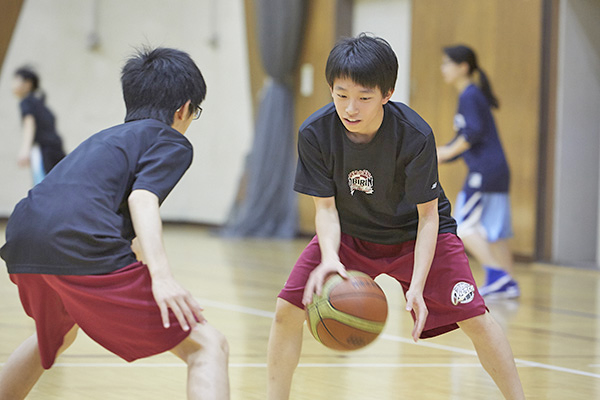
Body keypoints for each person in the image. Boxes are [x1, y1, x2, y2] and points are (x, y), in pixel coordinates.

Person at [266, 34, 525, 400]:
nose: (350, 108)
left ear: (387, 94)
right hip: (351, 235)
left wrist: (417, 284)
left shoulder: (414, 135)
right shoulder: (315, 133)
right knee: (286, 311)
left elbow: (428, 218)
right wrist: (328, 259)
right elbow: (325, 208)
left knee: (476, 318)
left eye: (364, 98)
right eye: (341, 95)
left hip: (415, 235)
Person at [0, 47, 230, 400]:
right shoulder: (170, 139)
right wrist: (163, 278)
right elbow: (142, 199)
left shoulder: (105, 140)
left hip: (21, 238)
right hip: (77, 241)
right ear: (184, 109)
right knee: (208, 345)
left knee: (55, 337)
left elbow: (119, 219)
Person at [437, 45, 519, 299]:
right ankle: (509, 284)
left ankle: (498, 277)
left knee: (463, 225)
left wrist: (447, 152)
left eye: (447, 63)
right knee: (495, 231)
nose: (443, 68)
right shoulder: (472, 95)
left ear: (463, 67)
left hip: (484, 172)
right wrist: (443, 152)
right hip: (496, 170)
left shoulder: (469, 96)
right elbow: (466, 139)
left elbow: (471, 135)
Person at [12, 66, 66, 185]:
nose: (13, 84)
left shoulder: (26, 102)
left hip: (43, 151)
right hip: (57, 150)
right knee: (59, 184)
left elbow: (29, 123)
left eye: (16, 80)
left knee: (42, 186)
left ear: (27, 84)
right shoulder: (41, 105)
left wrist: (25, 150)